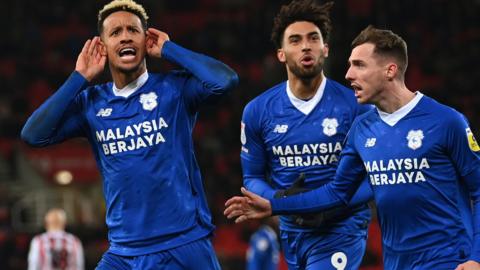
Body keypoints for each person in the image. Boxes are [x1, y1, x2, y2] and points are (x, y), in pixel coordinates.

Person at [225, 25, 480, 270]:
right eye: (349, 65)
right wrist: (274, 206)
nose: (348, 75)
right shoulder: (361, 129)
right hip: (397, 262)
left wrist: (476, 258)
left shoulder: (447, 122)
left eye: (359, 65)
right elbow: (337, 192)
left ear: (390, 70)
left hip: (449, 259)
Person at [21, 0, 238, 269]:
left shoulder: (174, 89)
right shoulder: (91, 103)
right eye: (115, 32)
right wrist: (79, 77)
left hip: (182, 245)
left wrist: (170, 49)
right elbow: (33, 134)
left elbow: (225, 81)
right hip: (123, 251)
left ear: (146, 39)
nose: (125, 36)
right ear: (103, 46)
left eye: (133, 30)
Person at [238, 0, 373, 269]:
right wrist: (283, 201)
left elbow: (374, 178)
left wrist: (331, 205)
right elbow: (252, 177)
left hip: (342, 229)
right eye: (295, 40)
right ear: (281, 53)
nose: (305, 46)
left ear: (325, 49)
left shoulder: (357, 107)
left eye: (313, 38)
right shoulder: (257, 111)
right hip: (293, 231)